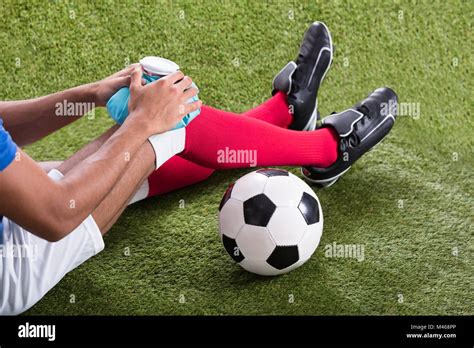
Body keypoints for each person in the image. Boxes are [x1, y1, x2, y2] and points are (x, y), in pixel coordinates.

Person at [0, 22, 397, 315]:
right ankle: (325, 150)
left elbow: (5, 126)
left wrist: (91, 94)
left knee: (144, 131)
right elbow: (57, 213)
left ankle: (287, 113)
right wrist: (142, 124)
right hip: (15, 265)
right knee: (169, 126)